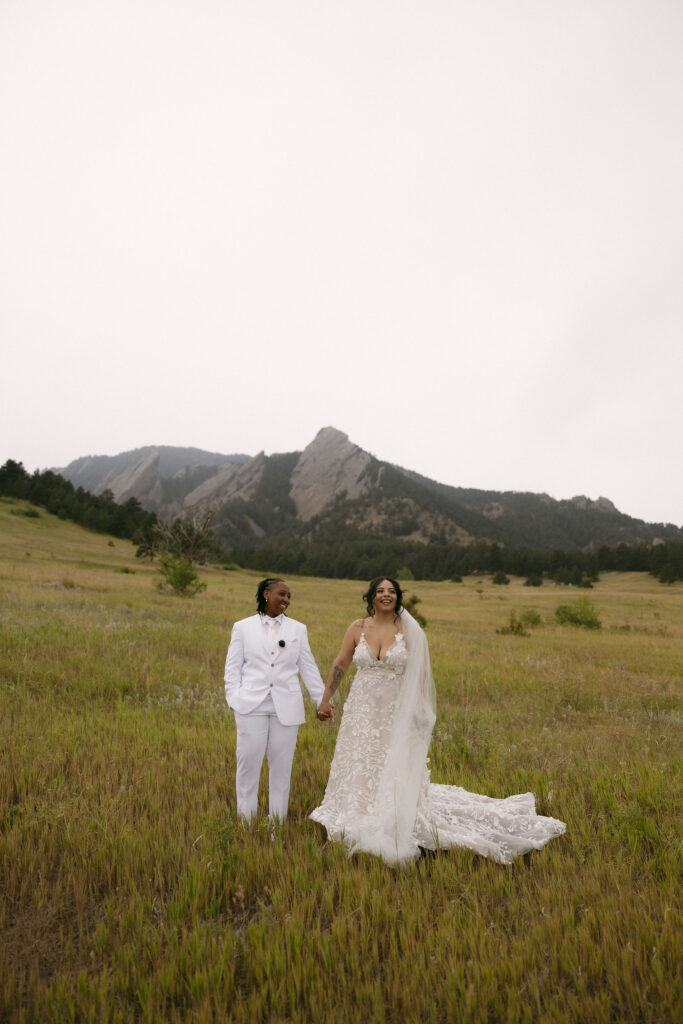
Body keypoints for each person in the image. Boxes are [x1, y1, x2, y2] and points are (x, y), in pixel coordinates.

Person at [311, 577, 566, 864]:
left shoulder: (409, 631)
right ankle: (356, 808)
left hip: (396, 711)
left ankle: (394, 812)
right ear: (370, 597)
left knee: (395, 761)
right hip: (362, 710)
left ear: (398, 597)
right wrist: (326, 698)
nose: (386, 595)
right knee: (362, 759)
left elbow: (419, 675)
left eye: (391, 591)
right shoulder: (357, 628)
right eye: (380, 591)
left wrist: (420, 711)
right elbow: (340, 664)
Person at [225, 577, 328, 823]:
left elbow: (308, 667)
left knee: (282, 769)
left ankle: (276, 824)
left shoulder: (298, 629)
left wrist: (321, 700)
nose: (286, 600)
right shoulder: (242, 627)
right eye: (282, 594)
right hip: (251, 705)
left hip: (287, 707)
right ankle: (246, 823)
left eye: (289, 596)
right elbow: (232, 668)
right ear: (266, 595)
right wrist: (234, 699)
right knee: (248, 764)